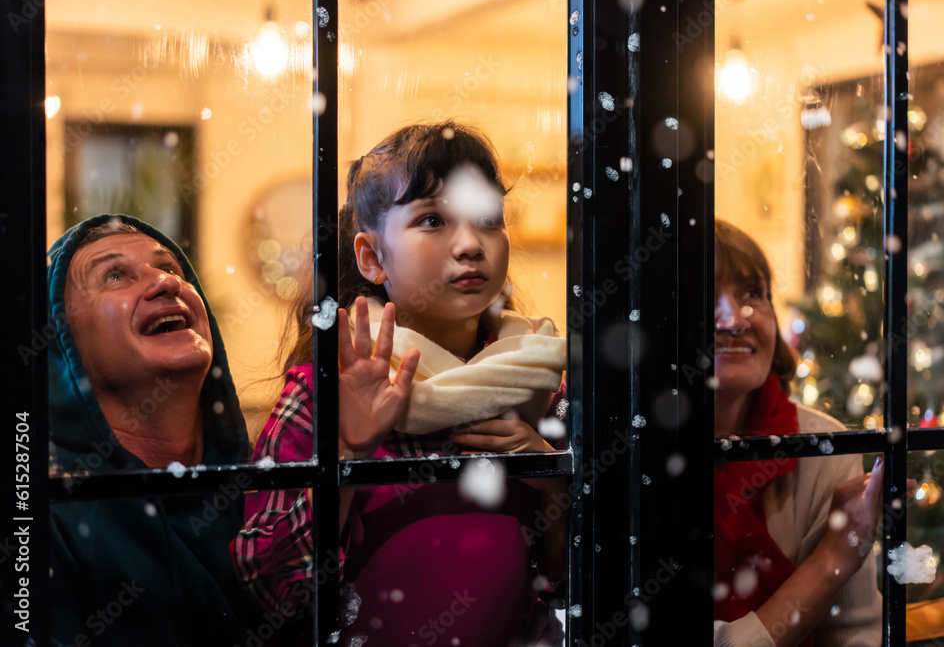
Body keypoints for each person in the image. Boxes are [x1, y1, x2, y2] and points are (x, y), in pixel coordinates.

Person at [234, 122, 568, 646]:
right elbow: (272, 590)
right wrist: (347, 453)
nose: (469, 245)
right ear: (371, 258)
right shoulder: (327, 390)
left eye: (487, 219)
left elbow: (567, 581)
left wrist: (553, 480)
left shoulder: (536, 380)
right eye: (432, 220)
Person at [47, 214, 262, 646]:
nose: (165, 283)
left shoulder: (273, 485)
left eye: (170, 268)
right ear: (62, 339)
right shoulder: (43, 512)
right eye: (114, 275)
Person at [712, 219, 885, 647]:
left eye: (753, 294)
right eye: (704, 294)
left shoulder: (825, 448)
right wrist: (830, 561)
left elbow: (855, 636)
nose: (735, 320)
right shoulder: (624, 450)